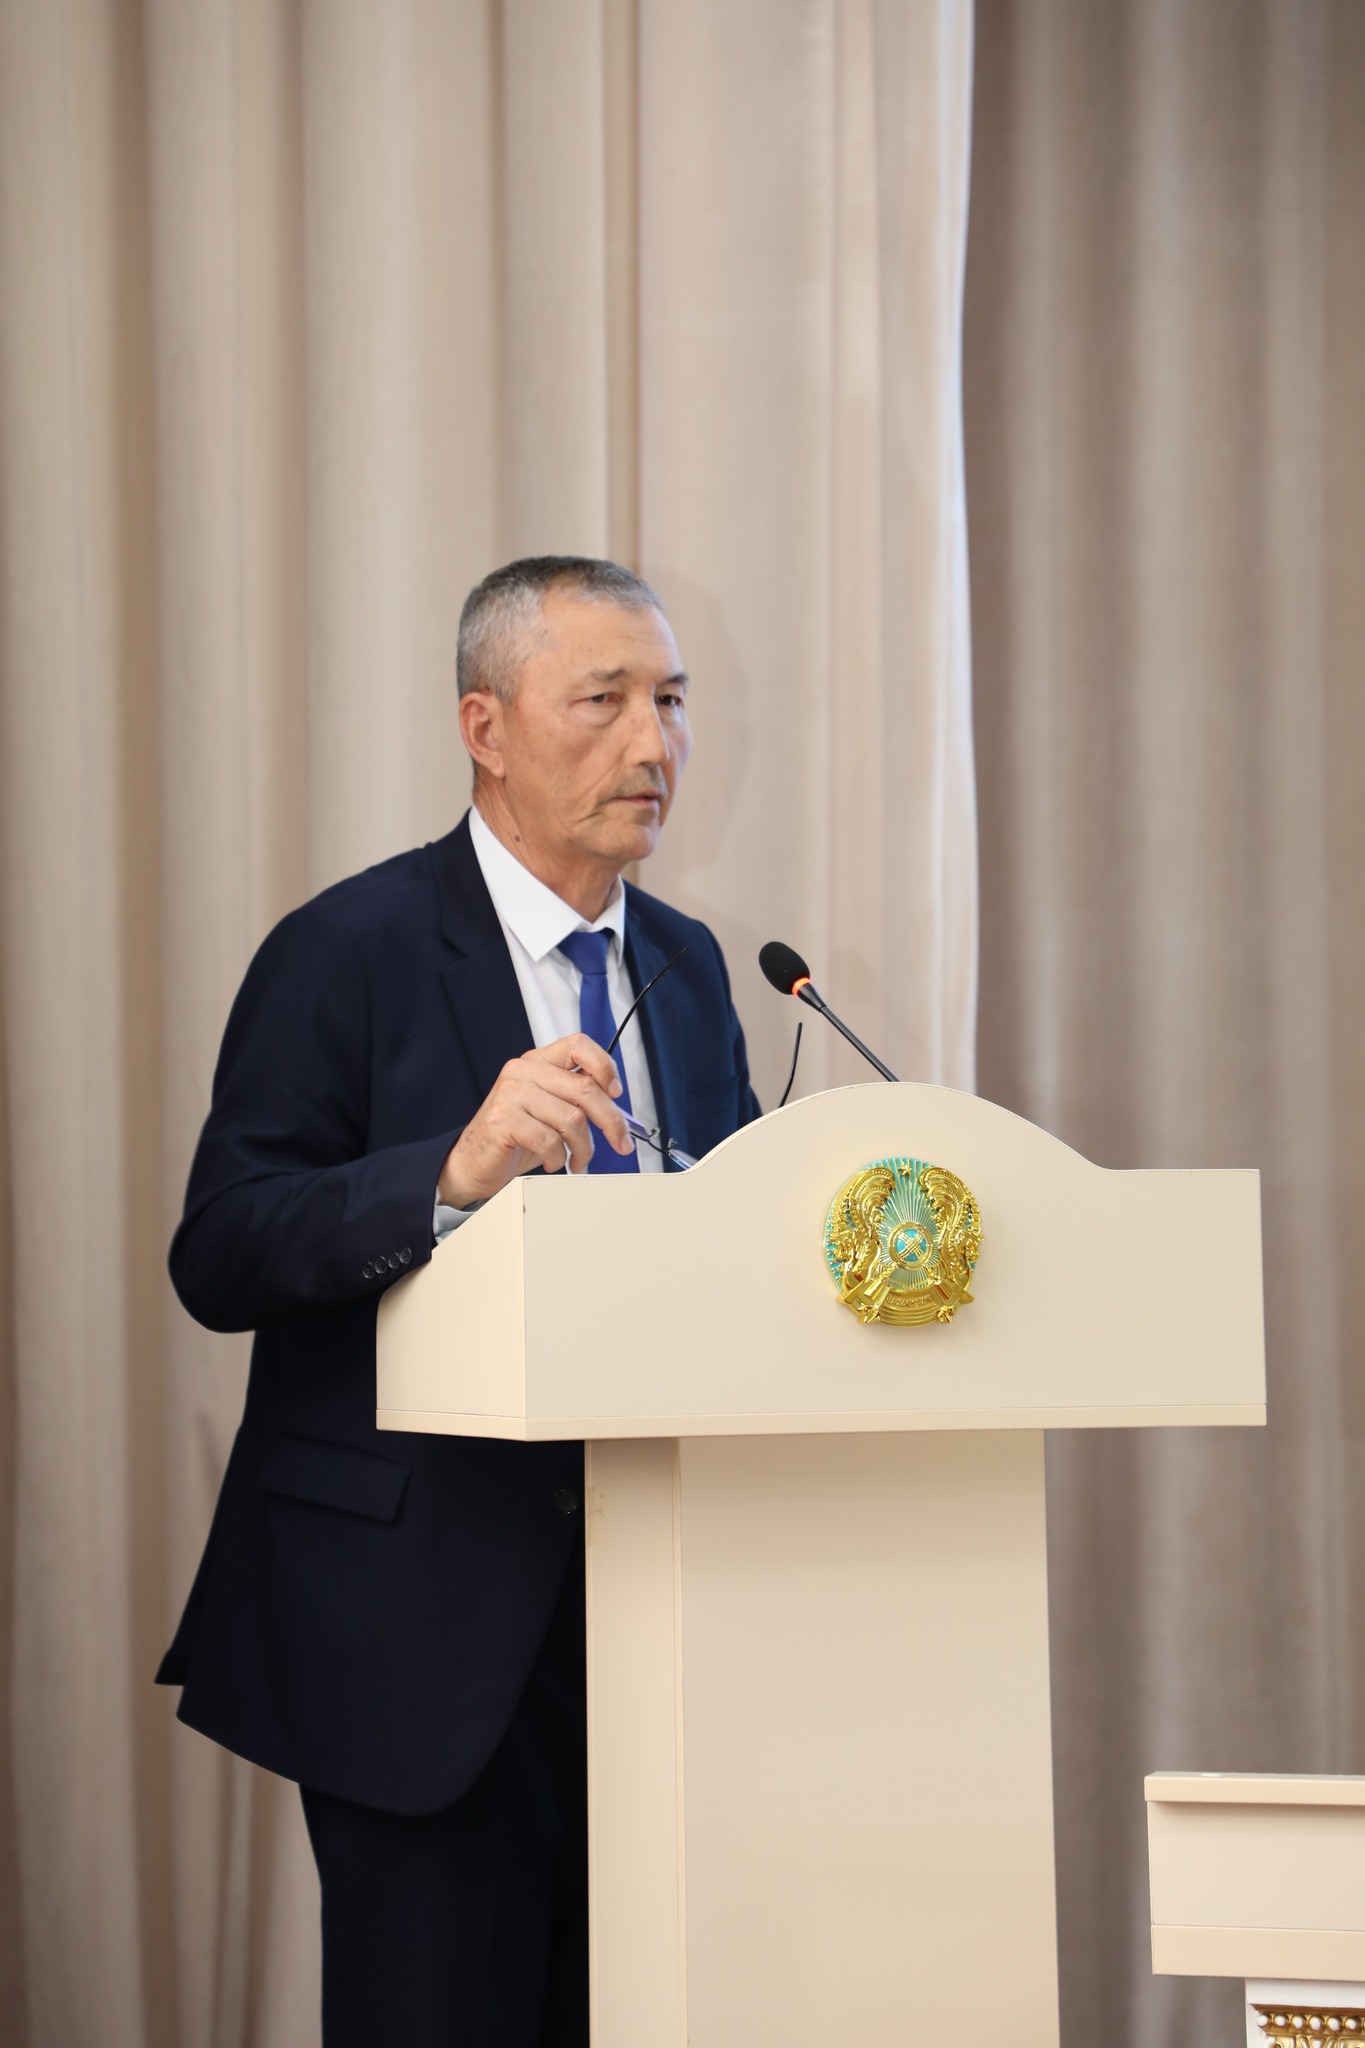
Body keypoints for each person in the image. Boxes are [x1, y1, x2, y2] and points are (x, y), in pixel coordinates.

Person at [158, 557, 761, 2046]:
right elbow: (221, 1249)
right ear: (485, 729)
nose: (654, 743)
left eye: (672, 701)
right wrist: (449, 1170)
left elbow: (728, 1248)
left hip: (655, 1622)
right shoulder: (347, 950)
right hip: (418, 1628)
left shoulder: (687, 967)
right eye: (604, 701)